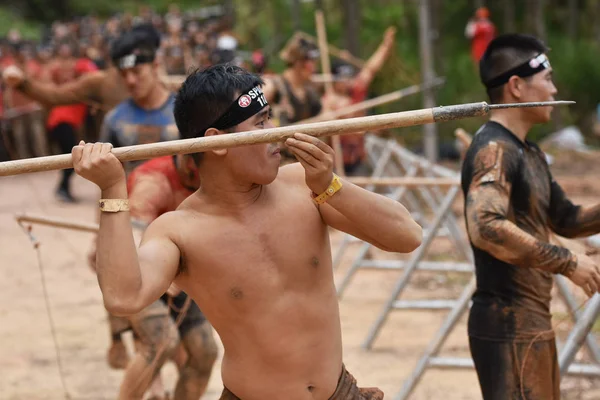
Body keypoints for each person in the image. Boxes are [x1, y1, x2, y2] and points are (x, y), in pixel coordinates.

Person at [71, 63, 423, 400]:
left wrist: (331, 185)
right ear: (217, 142)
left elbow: (407, 235)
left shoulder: (305, 185)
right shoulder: (178, 230)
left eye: (270, 118)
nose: (277, 133)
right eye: (261, 123)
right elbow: (123, 297)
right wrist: (112, 189)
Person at [461, 33, 600, 400]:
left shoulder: (529, 152)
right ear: (517, 86)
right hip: (507, 325)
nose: (554, 90)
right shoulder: (495, 149)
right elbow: (485, 226)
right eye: (548, 79)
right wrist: (568, 262)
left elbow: (567, 218)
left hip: (531, 322)